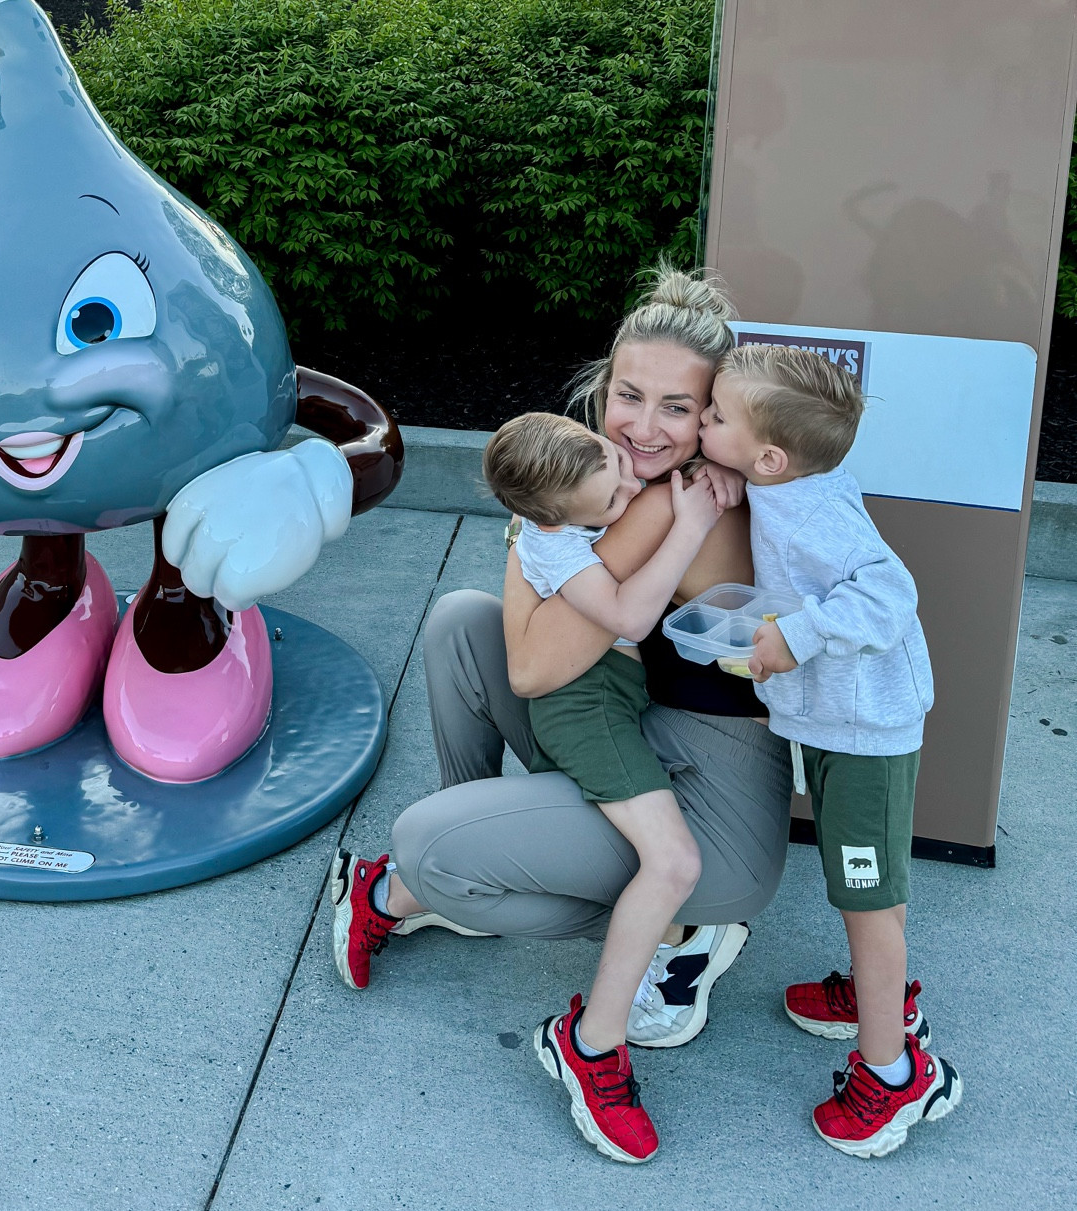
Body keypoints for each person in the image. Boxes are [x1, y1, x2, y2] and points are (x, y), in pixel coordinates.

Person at [329, 267, 794, 1160]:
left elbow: (537, 667)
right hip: (643, 730)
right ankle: (483, 857)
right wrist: (539, 524)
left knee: (430, 842)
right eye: (628, 396)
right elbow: (523, 637)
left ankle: (414, 887)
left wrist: (535, 528)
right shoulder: (608, 477)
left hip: (718, 822)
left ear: (715, 415)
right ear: (603, 385)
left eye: (677, 407)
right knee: (461, 621)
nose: (644, 427)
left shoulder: (667, 500)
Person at [699, 344, 962, 1158]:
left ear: (770, 456)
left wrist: (796, 635)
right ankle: (873, 1000)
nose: (699, 420)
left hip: (867, 737)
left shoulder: (815, 514)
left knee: (867, 896)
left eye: (713, 416)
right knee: (861, 887)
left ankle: (892, 1075)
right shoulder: (790, 485)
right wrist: (735, 477)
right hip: (841, 725)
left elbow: (889, 594)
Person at [481, 412, 724, 1162]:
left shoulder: (573, 493)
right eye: (614, 496)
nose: (630, 480)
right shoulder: (551, 544)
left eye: (614, 462)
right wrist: (689, 523)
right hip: (584, 706)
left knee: (652, 854)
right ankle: (591, 1044)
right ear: (552, 516)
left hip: (609, 694)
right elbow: (628, 613)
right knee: (674, 863)